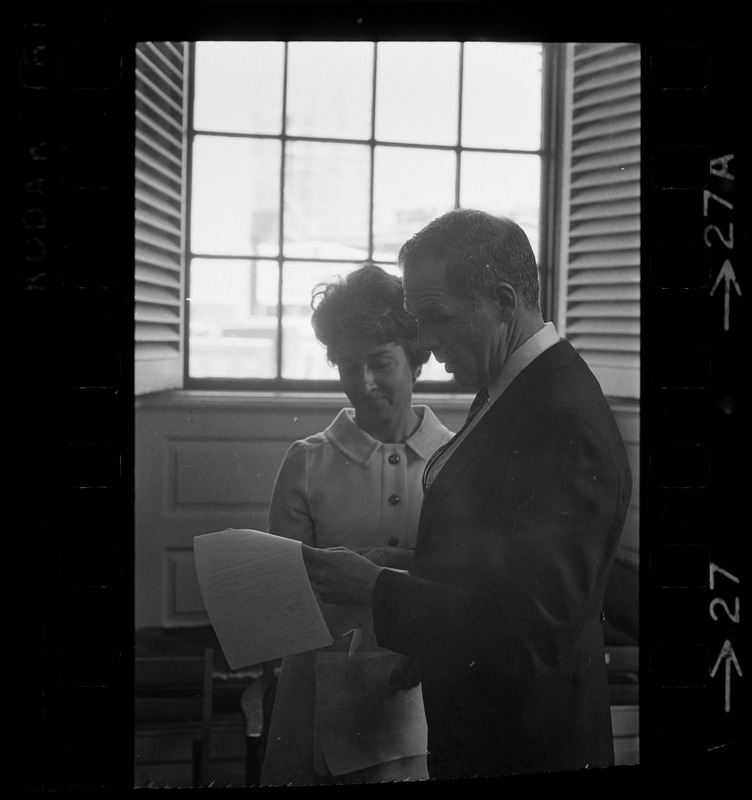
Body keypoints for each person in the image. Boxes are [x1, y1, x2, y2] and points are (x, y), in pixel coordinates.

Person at [303, 209, 633, 780]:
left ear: (504, 302)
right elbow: (508, 566)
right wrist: (410, 567)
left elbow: (529, 633)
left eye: (436, 318)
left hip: (526, 748)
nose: (425, 345)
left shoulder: (561, 420)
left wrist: (378, 589)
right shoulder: (510, 386)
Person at [260, 263, 453, 786]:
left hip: (423, 697)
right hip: (318, 700)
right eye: (347, 366)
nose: (362, 384)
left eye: (380, 362)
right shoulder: (307, 462)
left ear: (414, 362)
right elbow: (283, 602)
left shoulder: (456, 458)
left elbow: (466, 584)